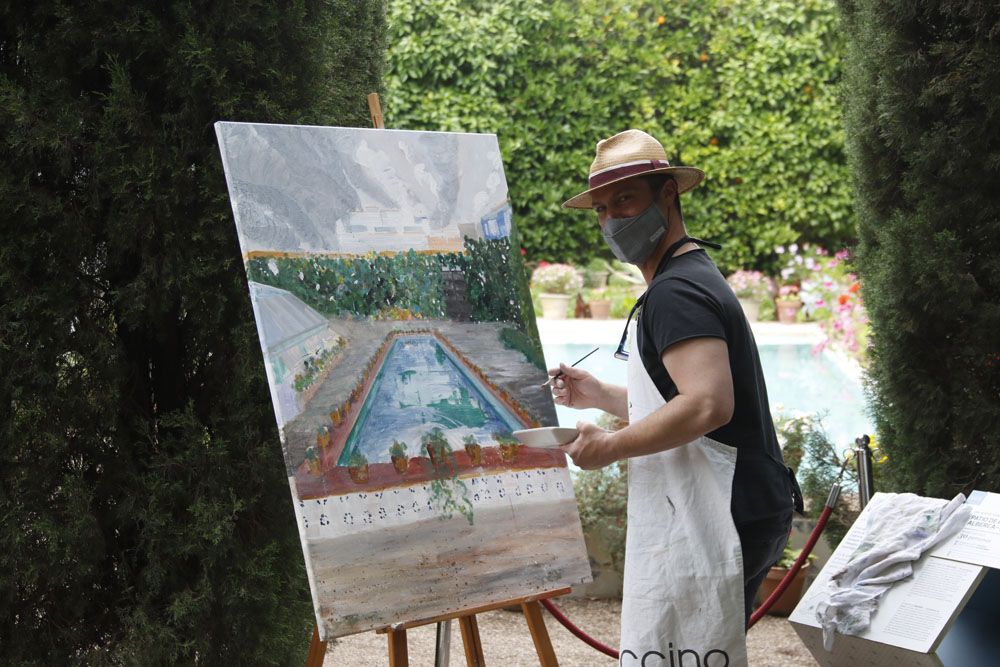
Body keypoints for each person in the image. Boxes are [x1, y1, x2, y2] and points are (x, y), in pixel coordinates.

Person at [553, 129, 800, 661]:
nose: (612, 219)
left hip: (723, 510)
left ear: (669, 194)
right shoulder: (686, 275)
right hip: (740, 503)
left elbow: (709, 406)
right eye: (601, 207)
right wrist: (601, 394)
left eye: (625, 199)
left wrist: (609, 447)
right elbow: (691, 400)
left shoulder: (676, 291)